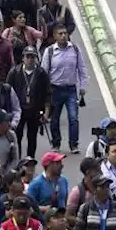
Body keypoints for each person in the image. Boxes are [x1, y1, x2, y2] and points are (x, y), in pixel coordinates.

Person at [40, 26, 87, 154]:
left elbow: (82, 69)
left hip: (71, 89)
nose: (63, 36)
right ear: (55, 36)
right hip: (54, 89)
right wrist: (44, 92)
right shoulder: (49, 52)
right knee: (54, 118)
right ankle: (56, 144)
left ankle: (74, 144)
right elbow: (43, 73)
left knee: (73, 118)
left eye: (65, 33)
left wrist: (82, 86)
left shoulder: (75, 49)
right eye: (60, 34)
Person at [7, 47, 50, 159]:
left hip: (34, 110)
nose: (30, 59)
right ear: (23, 58)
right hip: (19, 110)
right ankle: (18, 160)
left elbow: (48, 94)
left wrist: (46, 113)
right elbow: (7, 91)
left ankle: (30, 160)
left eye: (33, 56)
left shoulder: (41, 73)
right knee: (17, 136)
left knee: (32, 137)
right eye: (28, 56)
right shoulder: (14, 72)